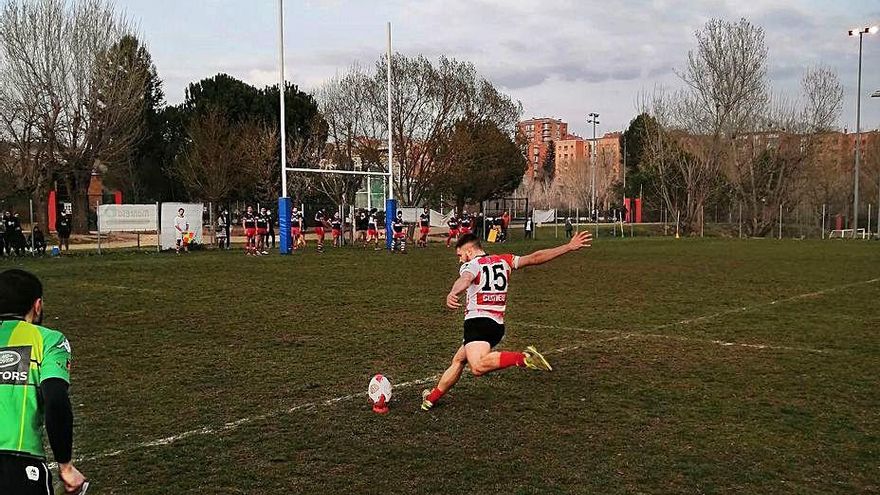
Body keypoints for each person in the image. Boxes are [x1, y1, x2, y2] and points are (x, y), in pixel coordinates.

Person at [421, 231, 592, 411]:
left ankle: (524, 358)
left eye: (460, 255)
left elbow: (465, 279)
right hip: (496, 326)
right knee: (459, 360)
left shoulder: (471, 265)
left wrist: (453, 292)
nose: (460, 260)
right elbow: (535, 257)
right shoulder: (505, 260)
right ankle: (431, 398)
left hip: (477, 322)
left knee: (477, 367)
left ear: (469, 251)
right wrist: (568, 246)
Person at [0, 269, 88, 494]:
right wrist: (65, 465)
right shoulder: (49, 340)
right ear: (37, 305)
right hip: (18, 467)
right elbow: (56, 400)